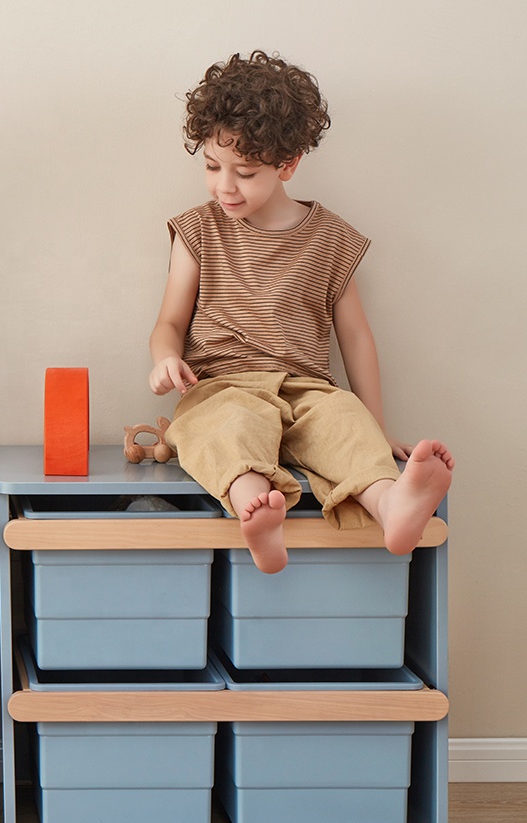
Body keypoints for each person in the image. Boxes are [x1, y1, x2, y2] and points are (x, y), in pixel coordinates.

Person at [147, 50, 453, 574]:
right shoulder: (199, 230)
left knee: (345, 424)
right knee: (225, 428)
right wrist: (164, 358)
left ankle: (392, 504)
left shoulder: (331, 238)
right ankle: (255, 508)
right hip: (222, 385)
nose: (224, 185)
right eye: (212, 166)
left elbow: (355, 337)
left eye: (244, 172)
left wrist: (376, 426)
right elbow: (169, 322)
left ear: (288, 164)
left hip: (308, 387)